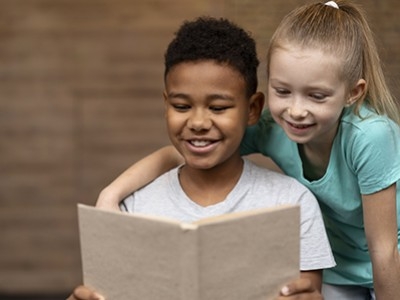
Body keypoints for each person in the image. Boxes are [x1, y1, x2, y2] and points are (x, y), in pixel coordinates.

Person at [95, 1, 400, 300]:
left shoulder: (371, 136)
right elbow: (181, 152)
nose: (295, 111)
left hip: (390, 258)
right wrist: (111, 195)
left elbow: (384, 252)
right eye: (282, 91)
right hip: (341, 265)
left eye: (316, 96)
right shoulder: (272, 126)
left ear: (353, 93)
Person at [68, 17, 335, 300]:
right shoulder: (132, 207)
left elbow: (308, 291)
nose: (197, 122)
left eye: (218, 108)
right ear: (166, 104)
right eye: (181, 106)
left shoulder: (291, 203)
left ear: (253, 109)